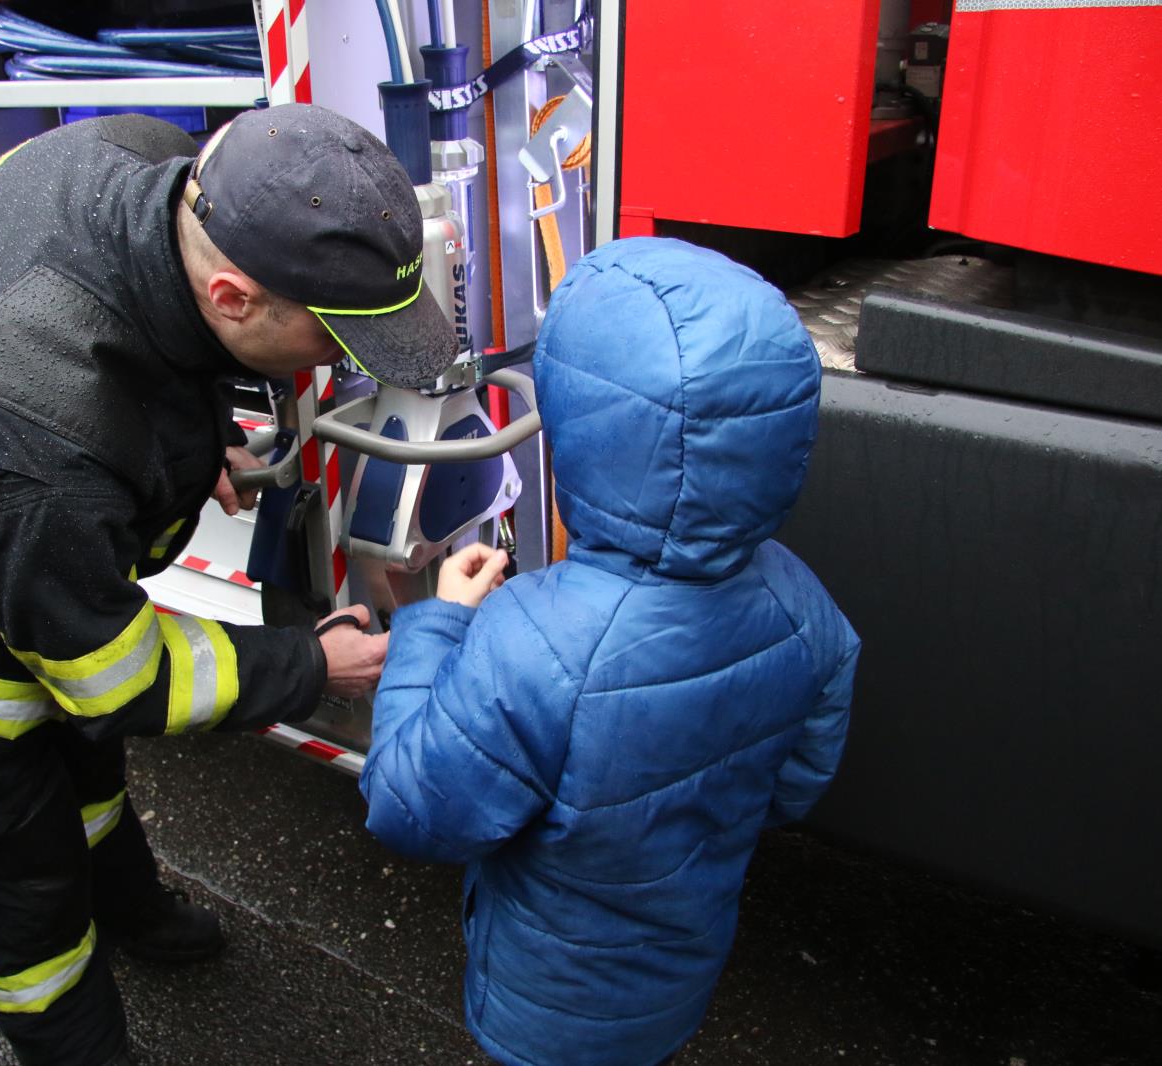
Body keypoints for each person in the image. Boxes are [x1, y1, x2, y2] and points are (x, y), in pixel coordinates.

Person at [0, 103, 457, 1066]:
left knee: (87, 778)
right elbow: (115, 681)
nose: (343, 364)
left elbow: (141, 339)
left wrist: (178, 445)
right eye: (336, 339)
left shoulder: (146, 160)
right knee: (22, 883)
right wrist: (309, 667)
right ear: (232, 294)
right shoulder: (31, 442)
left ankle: (133, 910)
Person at [359, 237, 861, 1066]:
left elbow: (409, 808)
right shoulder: (804, 603)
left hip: (545, 1011)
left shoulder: (533, 638)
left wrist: (438, 623)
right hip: (675, 978)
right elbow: (793, 790)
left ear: (587, 426)